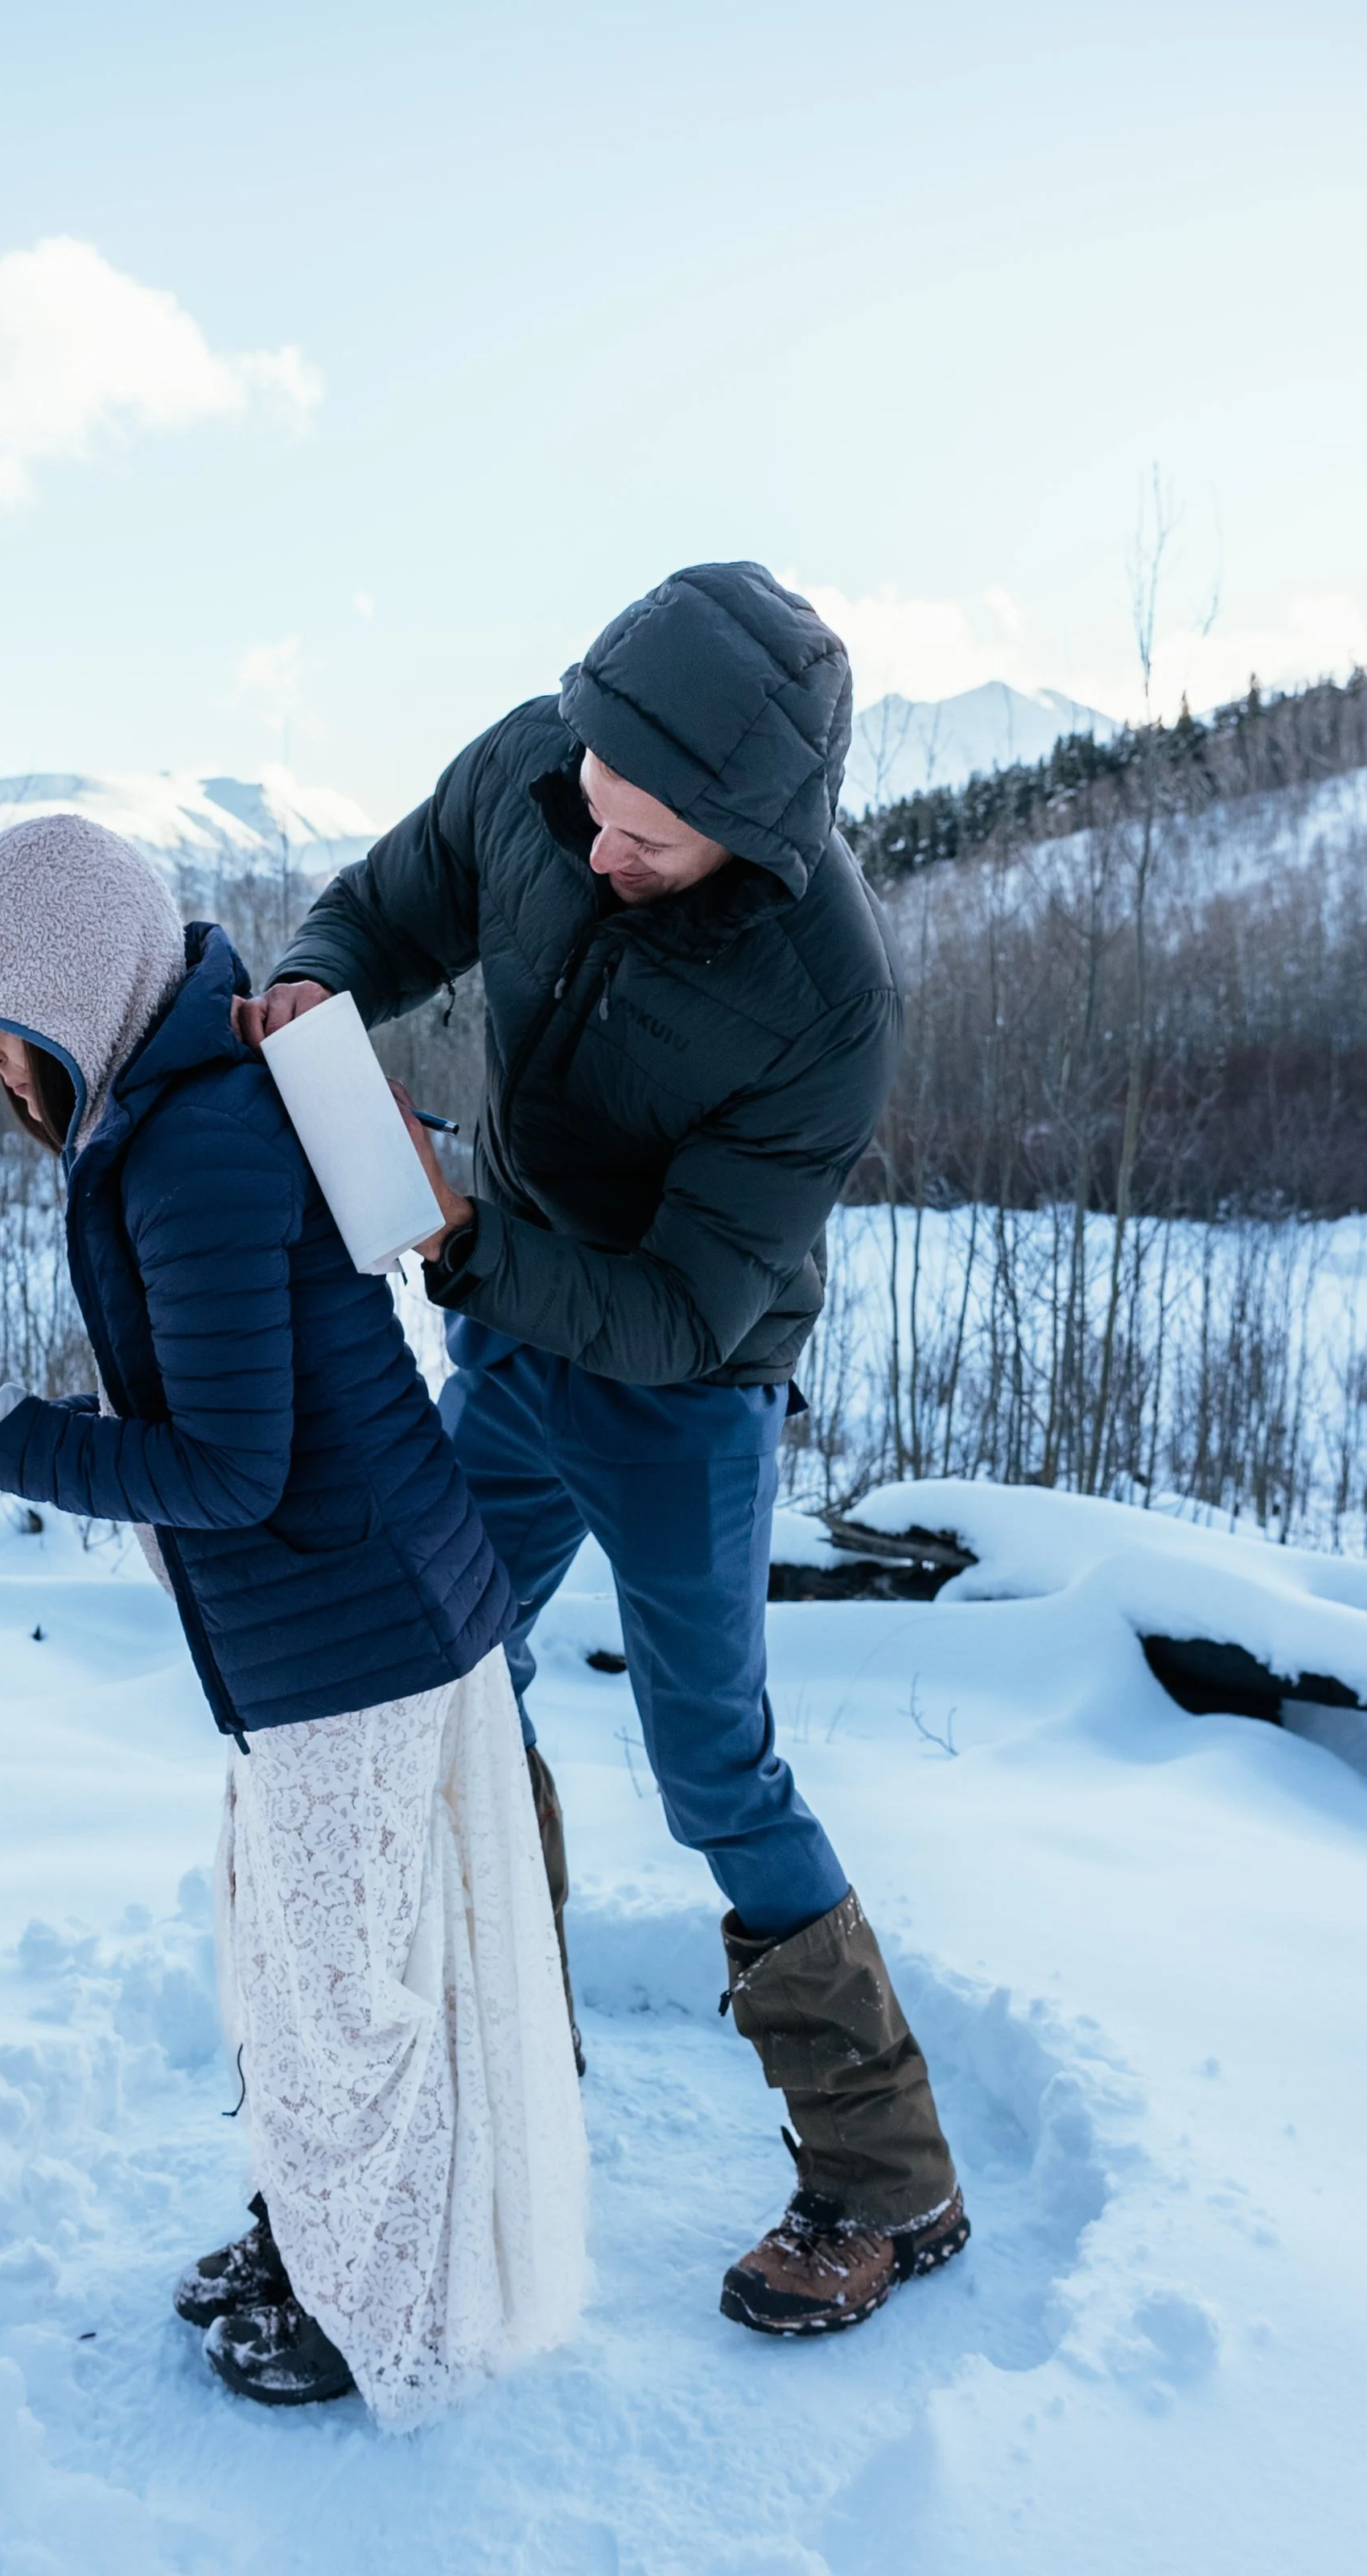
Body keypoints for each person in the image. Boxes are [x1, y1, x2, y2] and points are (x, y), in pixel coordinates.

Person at [237, 561, 968, 2339]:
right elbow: (392, 902)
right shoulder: (549, 768)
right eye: (588, 803)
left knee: (713, 1765)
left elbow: (680, 1317)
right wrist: (314, 989)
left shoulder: (822, 1002)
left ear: (749, 832)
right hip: (504, 1315)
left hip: (679, 1386)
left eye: (640, 836)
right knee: (442, 1671)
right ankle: (500, 2084)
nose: (595, 843)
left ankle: (886, 2180)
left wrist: (457, 1235)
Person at [0, 815, 587, 2425]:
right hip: (343, 1624)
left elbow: (228, 1466)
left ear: (74, 993)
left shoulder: (191, 1147)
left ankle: (363, 2310)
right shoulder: (166, 1115)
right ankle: (313, 2233)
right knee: (298, 1963)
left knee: (343, 1994)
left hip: (358, 1635)